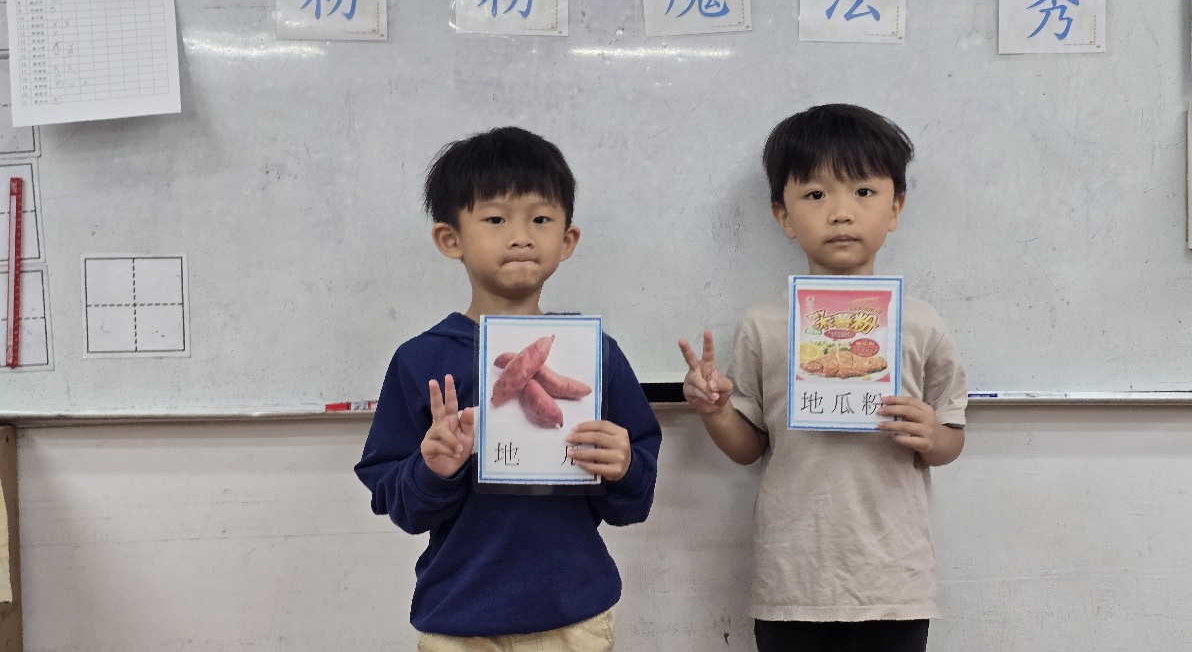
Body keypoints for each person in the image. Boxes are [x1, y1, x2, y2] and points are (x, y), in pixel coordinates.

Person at [356, 126, 661, 652]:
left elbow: (631, 504)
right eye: (495, 219)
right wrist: (432, 470)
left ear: (567, 240)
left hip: (574, 614)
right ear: (450, 239)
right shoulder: (420, 360)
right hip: (460, 616)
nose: (521, 236)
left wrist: (626, 464)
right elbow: (400, 504)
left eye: (540, 219)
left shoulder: (595, 354)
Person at [679, 104, 967, 652]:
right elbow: (749, 448)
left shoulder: (922, 323)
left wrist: (932, 435)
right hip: (792, 579)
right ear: (783, 216)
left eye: (864, 192)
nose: (840, 213)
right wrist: (715, 411)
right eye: (815, 194)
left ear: (896, 207)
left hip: (892, 581)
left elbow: (951, 438)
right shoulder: (764, 323)